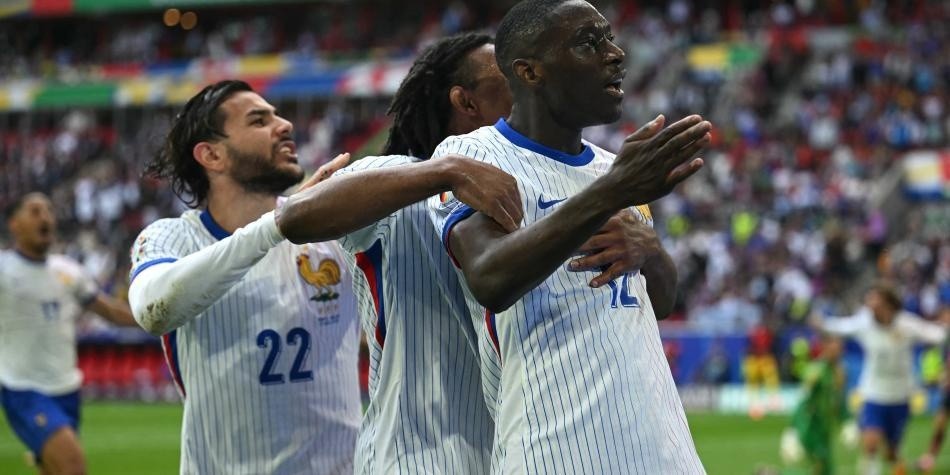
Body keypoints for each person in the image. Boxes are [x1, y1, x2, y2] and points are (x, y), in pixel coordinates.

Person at [278, 32, 657, 474]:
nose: (525, 83)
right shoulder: (397, 174)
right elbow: (298, 216)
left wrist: (646, 247)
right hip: (415, 456)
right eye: (507, 76)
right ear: (466, 101)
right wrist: (449, 170)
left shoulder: (544, 184)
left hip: (515, 449)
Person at [127, 80, 522, 474]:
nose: (283, 125)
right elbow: (154, 310)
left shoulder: (331, 231)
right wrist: (275, 226)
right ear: (211, 154)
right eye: (258, 120)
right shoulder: (171, 236)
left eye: (277, 115)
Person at [426, 0, 710, 471]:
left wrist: (651, 249)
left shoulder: (610, 166)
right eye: (588, 44)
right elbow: (489, 278)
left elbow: (659, 301)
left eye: (610, 38)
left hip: (664, 451)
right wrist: (612, 191)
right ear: (530, 72)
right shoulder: (471, 153)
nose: (615, 54)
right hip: (554, 450)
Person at [1, 192, 136, 475]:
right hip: (24, 389)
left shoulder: (69, 271)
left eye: (48, 210)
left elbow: (110, 311)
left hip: (66, 389)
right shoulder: (4, 268)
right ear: (14, 223)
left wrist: (160, 319)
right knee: (72, 466)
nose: (46, 217)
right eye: (35, 211)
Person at [813, 282, 948, 475]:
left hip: (901, 395)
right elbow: (841, 327)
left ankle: (896, 461)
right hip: (874, 393)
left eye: (875, 299)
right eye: (869, 299)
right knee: (871, 442)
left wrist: (945, 331)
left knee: (891, 452)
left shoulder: (906, 324)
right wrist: (821, 323)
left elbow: (936, 335)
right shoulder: (864, 322)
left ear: (888, 303)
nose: (870, 303)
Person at [784, 335, 850, 475]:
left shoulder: (839, 372)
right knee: (819, 469)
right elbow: (803, 402)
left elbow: (838, 401)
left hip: (825, 431)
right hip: (810, 429)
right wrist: (793, 431)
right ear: (825, 347)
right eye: (835, 346)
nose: (838, 350)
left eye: (840, 347)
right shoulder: (815, 371)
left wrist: (847, 422)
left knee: (824, 470)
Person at [916, 308, 950, 473]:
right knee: (939, 424)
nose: (944, 319)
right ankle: (929, 458)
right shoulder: (944, 338)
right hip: (948, 390)